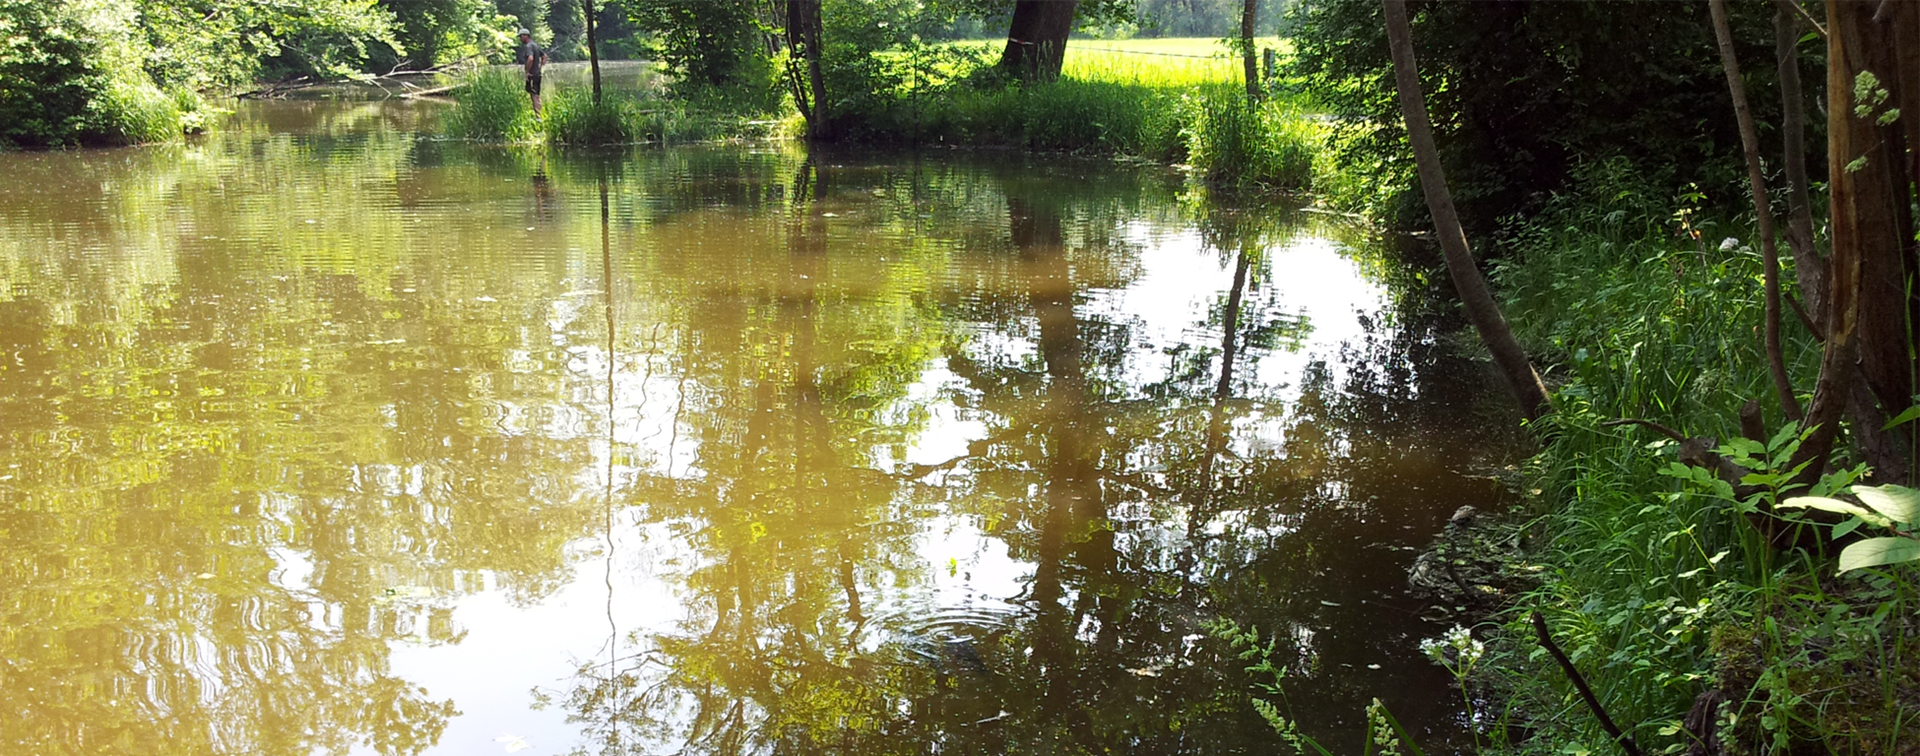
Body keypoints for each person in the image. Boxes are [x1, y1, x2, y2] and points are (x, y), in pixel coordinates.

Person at [515, 28, 547, 116]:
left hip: (532, 74)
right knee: (536, 94)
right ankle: (539, 114)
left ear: (526, 36)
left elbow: (530, 58)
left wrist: (527, 71)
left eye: (521, 36)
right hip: (537, 74)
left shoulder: (528, 46)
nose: (520, 39)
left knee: (534, 95)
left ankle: (538, 116)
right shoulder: (535, 45)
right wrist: (540, 67)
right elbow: (544, 56)